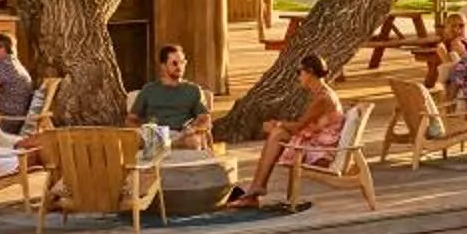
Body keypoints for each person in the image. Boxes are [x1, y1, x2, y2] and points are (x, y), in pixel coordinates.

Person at [229, 53, 344, 207]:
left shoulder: (323, 98)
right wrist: (279, 126)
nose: (298, 77)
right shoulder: (321, 93)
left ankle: (256, 189)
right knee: (277, 134)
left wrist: (277, 124)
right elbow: (303, 126)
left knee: (277, 134)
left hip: (322, 153)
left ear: (309, 72)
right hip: (317, 144)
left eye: (299, 72)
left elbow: (299, 127)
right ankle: (256, 189)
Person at [127, 43, 214, 149]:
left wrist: (193, 128)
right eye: (174, 63)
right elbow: (131, 119)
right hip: (155, 134)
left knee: (193, 142)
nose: (179, 67)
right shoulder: (149, 90)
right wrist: (143, 130)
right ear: (163, 66)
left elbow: (204, 118)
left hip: (182, 134)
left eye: (182, 62)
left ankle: (167, 145)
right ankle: (167, 145)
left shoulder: (193, 90)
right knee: (135, 139)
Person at [0, 32, 36, 129]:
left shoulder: (3, 66)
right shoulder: (13, 63)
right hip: (11, 119)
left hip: (6, 121)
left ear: (2, 49)